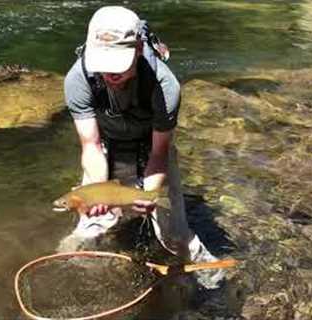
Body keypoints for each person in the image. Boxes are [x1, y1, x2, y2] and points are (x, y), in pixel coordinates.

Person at [61, 5, 224, 288]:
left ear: (137, 49)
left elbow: (159, 153)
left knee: (174, 234)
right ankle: (69, 267)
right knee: (90, 226)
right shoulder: (78, 79)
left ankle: (216, 280)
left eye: (118, 66)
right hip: (108, 146)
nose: (110, 74)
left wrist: (150, 194)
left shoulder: (165, 85)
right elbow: (91, 145)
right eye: (104, 63)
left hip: (151, 147)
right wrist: (100, 193)